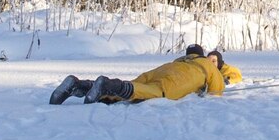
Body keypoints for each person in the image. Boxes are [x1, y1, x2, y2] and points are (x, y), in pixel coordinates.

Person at [48, 46, 243, 105]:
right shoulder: (205, 65)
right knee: (151, 91)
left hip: (160, 70)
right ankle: (108, 85)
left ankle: (80, 85)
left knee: (136, 84)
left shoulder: (180, 60)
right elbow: (217, 91)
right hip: (175, 81)